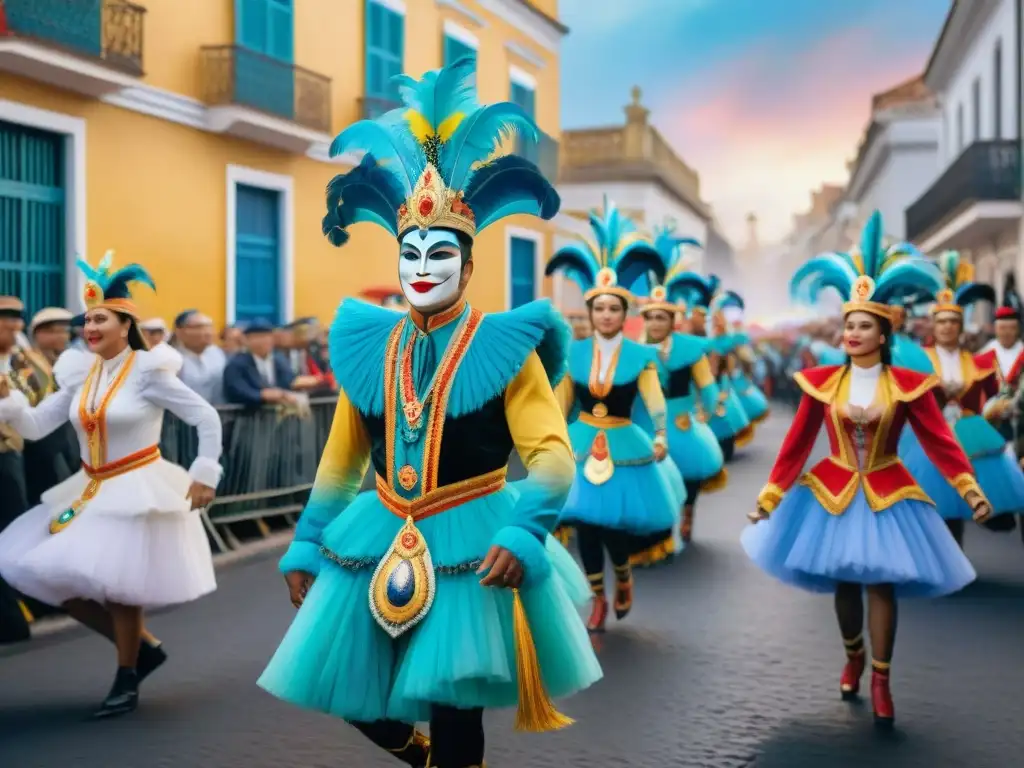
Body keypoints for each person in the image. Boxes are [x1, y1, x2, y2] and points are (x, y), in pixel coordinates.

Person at [257, 57, 601, 768]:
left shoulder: (506, 348)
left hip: (474, 534)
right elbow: (342, 458)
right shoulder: (369, 346)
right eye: (410, 250)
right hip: (378, 528)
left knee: (455, 709)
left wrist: (527, 528)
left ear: (468, 266)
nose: (421, 265)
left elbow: (551, 455)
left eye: (439, 251)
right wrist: (306, 542)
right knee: (354, 696)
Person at [743, 214, 991, 728]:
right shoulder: (821, 384)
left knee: (880, 584)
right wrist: (770, 497)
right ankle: (852, 653)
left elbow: (939, 441)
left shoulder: (907, 385)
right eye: (848, 324)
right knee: (843, 584)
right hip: (832, 491)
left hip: (887, 488)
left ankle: (881, 677)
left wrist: (969, 490)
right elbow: (796, 445)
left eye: (862, 326)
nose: (851, 333)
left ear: (883, 333)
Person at [0, 251, 223, 718]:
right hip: (88, 488)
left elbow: (204, 415)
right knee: (42, 571)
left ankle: (126, 675)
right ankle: (141, 649)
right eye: (86, 321)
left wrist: (205, 472)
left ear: (126, 324)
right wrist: (11, 401)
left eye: (100, 318)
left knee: (123, 590)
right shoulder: (81, 374)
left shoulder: (147, 371)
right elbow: (39, 425)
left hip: (138, 486)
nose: (90, 328)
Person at [543, 196, 677, 632]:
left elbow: (654, 397)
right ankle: (597, 598)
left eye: (614, 308)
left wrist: (660, 433)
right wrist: (548, 441)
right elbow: (560, 403)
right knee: (585, 526)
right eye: (599, 308)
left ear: (624, 313)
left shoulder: (641, 355)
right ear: (590, 311)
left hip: (623, 445)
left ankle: (622, 576)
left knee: (615, 529)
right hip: (581, 442)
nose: (605, 315)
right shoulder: (574, 353)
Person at [674, 273, 752, 461]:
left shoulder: (717, 344)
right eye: (694, 317)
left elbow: (720, 369)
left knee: (717, 416)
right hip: (695, 390)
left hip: (716, 384)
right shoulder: (691, 342)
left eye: (702, 317)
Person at [223, 320, 299, 407]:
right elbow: (236, 390)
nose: (263, 341)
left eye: (267, 337)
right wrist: (262, 395)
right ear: (247, 340)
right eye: (258, 337)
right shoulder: (236, 364)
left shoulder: (279, 360)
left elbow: (288, 380)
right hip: (249, 415)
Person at [175, 310, 227, 404]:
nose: (208, 332)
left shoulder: (217, 353)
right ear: (180, 332)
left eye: (210, 327)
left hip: (219, 414)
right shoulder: (172, 358)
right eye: (199, 327)